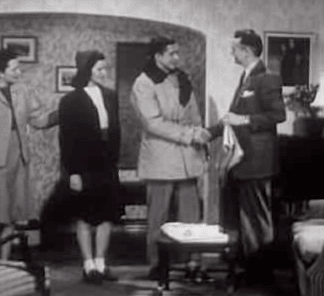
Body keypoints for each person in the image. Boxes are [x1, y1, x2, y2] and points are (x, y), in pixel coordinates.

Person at [0, 49, 58, 260]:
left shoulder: (22, 92)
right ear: (0, 72)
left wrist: (64, 112)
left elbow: (39, 120)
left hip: (18, 157)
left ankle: (4, 262)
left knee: (12, 215)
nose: (18, 72)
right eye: (14, 68)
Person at [208, 29, 286, 285]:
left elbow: (278, 116)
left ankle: (261, 273)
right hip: (244, 162)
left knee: (258, 220)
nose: (231, 53)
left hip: (258, 162)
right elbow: (232, 117)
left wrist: (244, 119)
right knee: (245, 219)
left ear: (247, 50)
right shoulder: (246, 78)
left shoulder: (267, 78)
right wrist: (209, 133)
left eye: (235, 48)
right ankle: (249, 268)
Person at [130, 36, 210, 280]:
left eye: (178, 53)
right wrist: (189, 134)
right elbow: (153, 123)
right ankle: (158, 264)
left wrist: (200, 138)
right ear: (158, 56)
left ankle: (193, 264)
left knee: (191, 216)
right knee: (159, 216)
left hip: (188, 157)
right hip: (161, 157)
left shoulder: (182, 79)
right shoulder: (143, 83)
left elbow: (194, 115)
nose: (177, 57)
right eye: (172, 53)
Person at [57, 50, 120, 285]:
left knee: (106, 215)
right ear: (87, 71)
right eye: (100, 69)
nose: (104, 73)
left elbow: (116, 131)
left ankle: (101, 264)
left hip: (106, 163)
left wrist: (115, 161)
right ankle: (88, 265)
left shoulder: (111, 96)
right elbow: (66, 139)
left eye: (106, 68)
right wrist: (72, 171)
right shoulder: (70, 100)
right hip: (83, 163)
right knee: (84, 216)